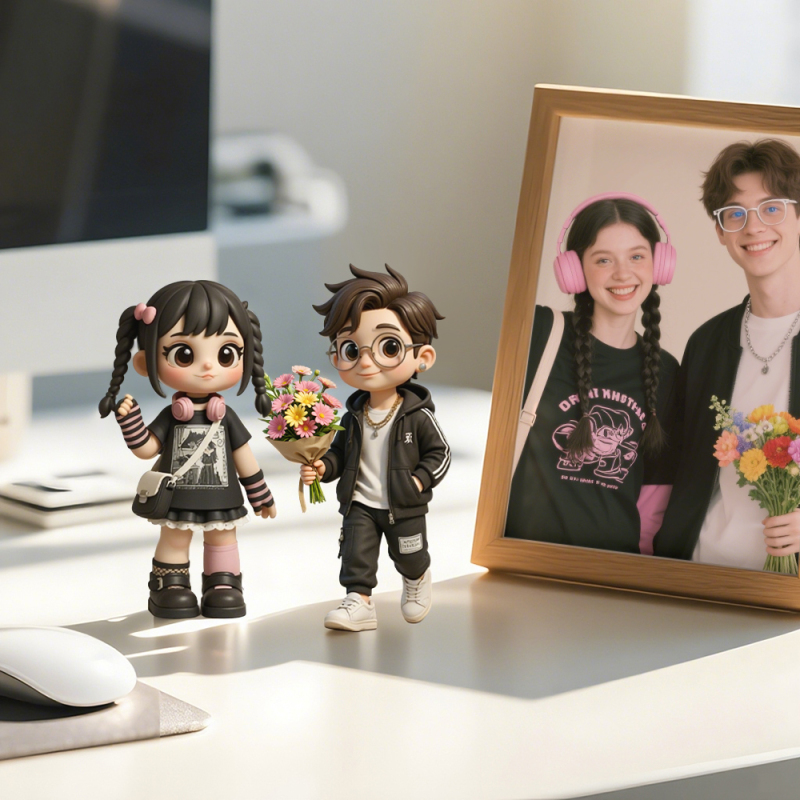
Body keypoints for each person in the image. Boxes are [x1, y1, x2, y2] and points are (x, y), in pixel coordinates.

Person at [505, 194, 679, 554]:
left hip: (614, 569)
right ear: (574, 269)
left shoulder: (666, 370)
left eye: (637, 256)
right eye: (603, 259)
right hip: (523, 559)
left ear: (658, 263)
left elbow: (655, 494)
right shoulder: (539, 332)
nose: (623, 274)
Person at [655, 139, 800, 568]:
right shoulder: (706, 342)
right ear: (721, 232)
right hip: (700, 571)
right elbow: (679, 466)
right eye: (735, 214)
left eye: (771, 208)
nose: (753, 227)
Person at [99, 280, 277, 618]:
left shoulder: (225, 417)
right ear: (145, 363)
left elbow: (244, 458)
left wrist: (260, 495)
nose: (208, 366)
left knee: (223, 538)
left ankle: (223, 584)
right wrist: (131, 423)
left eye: (226, 354)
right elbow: (147, 448)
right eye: (184, 354)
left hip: (222, 497)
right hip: (176, 496)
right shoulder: (172, 416)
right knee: (174, 539)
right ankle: (171, 585)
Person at [300, 265, 450, 631]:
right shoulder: (352, 416)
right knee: (356, 556)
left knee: (410, 554)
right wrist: (323, 467)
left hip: (404, 503)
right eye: (351, 349)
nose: (366, 361)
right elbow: (339, 454)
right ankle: (359, 601)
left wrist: (417, 481)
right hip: (360, 502)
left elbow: (440, 454)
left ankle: (417, 579)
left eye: (389, 347)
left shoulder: (417, 415)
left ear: (423, 357)